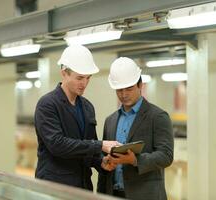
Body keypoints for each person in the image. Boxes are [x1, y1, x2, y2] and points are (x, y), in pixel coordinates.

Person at [34, 45, 118, 190]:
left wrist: (101, 162)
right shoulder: (47, 104)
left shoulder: (87, 107)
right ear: (64, 73)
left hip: (83, 185)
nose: (84, 83)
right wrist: (100, 145)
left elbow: (88, 146)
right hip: (54, 187)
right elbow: (57, 145)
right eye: (79, 78)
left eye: (88, 78)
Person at [97, 57, 174, 200]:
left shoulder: (157, 116)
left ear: (140, 85)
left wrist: (135, 160)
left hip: (145, 195)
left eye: (129, 88)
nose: (124, 94)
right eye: (119, 89)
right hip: (112, 194)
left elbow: (166, 156)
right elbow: (104, 156)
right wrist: (105, 161)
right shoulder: (110, 120)